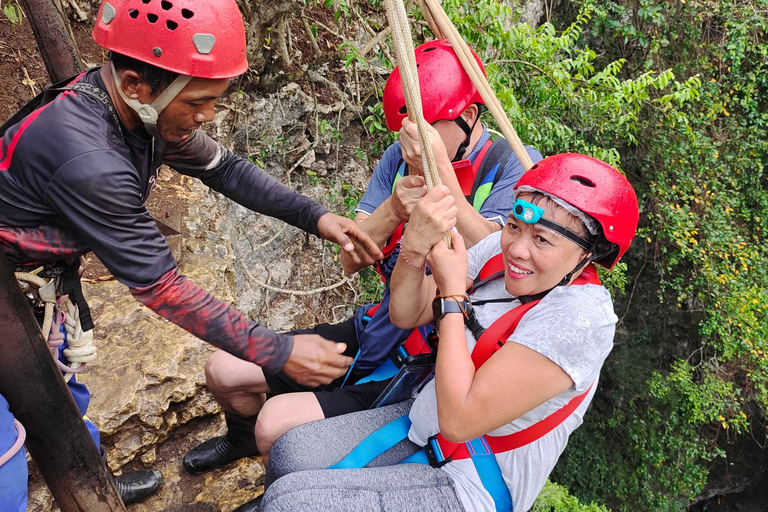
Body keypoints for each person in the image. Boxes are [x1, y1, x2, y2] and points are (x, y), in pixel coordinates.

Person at [0, 0, 383, 507]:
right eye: (198, 102)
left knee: (65, 395)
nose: (205, 117)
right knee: (4, 455)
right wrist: (279, 352)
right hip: (14, 286)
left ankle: (92, 485)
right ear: (137, 84)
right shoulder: (89, 159)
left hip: (30, 282)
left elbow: (225, 169)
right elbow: (163, 288)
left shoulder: (137, 115)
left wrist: (315, 217)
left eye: (215, 103)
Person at [184, 39, 543, 480]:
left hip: (428, 355)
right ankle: (239, 444)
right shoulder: (398, 159)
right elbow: (350, 261)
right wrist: (393, 209)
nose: (410, 140)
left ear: (468, 117)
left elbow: (500, 259)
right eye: (405, 128)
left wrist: (443, 178)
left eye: (424, 128)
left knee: (275, 425)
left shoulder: (512, 168)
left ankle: (283, 491)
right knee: (223, 371)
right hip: (379, 325)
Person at [253, 152, 640, 512]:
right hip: (425, 419)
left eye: (542, 240)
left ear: (588, 254)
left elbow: (461, 420)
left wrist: (453, 294)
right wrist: (414, 249)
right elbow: (409, 312)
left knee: (291, 503)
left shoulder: (579, 320)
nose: (517, 250)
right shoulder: (495, 251)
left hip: (471, 480)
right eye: (514, 226)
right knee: (290, 453)